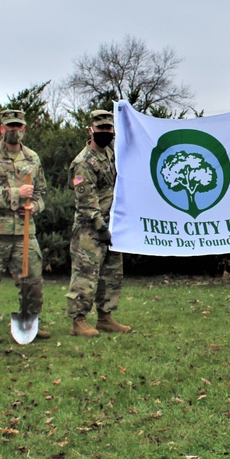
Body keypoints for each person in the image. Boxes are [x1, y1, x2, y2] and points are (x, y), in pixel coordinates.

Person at [0, 109, 50, 343]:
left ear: (24, 128)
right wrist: (16, 193)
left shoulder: (33, 158)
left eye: (18, 126)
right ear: (1, 129)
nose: (14, 130)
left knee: (33, 280)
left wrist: (35, 205)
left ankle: (30, 321)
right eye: (10, 126)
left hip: (24, 231)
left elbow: (42, 192)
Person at [66, 109, 131, 337]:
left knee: (111, 275)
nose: (105, 132)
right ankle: (78, 320)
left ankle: (105, 317)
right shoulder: (83, 162)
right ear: (90, 130)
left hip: (112, 226)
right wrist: (100, 226)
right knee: (86, 275)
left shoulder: (111, 155)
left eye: (109, 128)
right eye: (101, 128)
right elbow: (86, 200)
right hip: (90, 229)